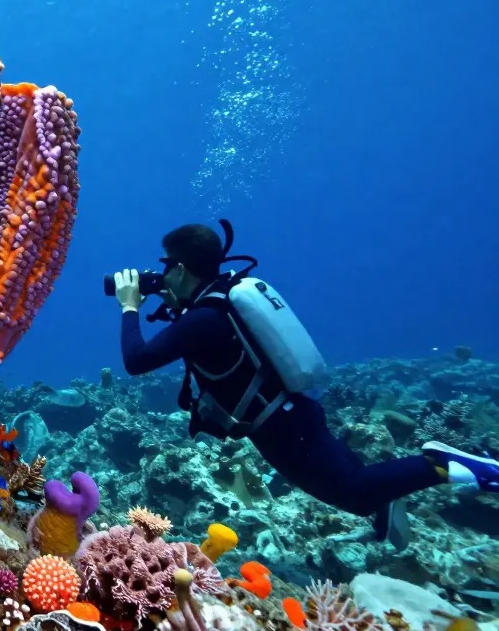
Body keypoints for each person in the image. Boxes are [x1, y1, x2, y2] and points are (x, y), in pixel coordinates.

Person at [112, 222, 499, 549]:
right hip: (292, 412)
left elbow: (137, 360)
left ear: (180, 269)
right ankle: (387, 503)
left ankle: (447, 465)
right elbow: (206, 339)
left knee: (355, 491)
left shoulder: (203, 318)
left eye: (166, 267)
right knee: (352, 479)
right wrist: (172, 299)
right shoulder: (217, 302)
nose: (160, 275)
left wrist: (130, 305)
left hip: (282, 427)